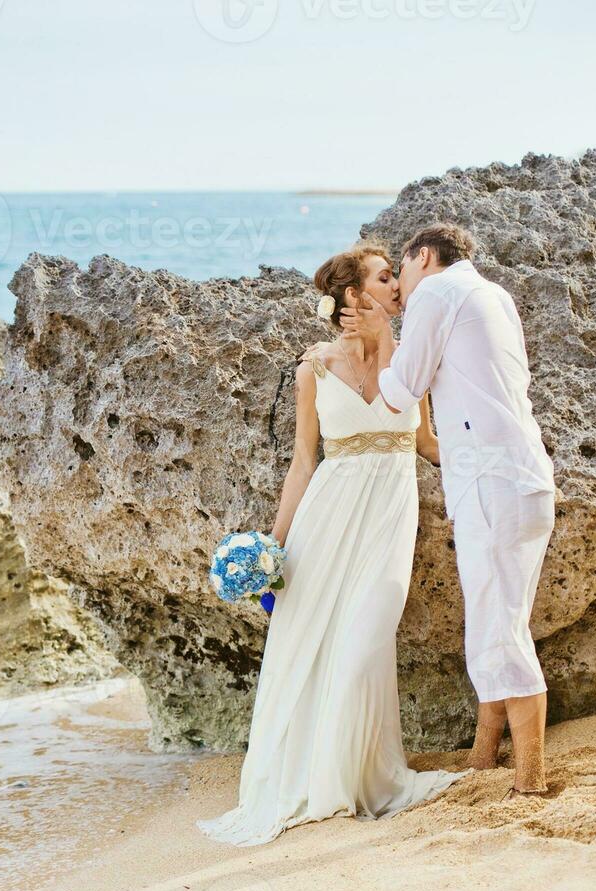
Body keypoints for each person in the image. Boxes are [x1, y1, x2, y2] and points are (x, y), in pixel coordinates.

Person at [196, 242, 468, 848]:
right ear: (352, 295)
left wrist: (490, 460)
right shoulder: (313, 368)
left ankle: (357, 780)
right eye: (382, 277)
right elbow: (301, 463)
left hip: (389, 516)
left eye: (395, 276)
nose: (396, 285)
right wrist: (274, 547)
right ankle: (327, 791)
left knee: (369, 636)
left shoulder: (411, 357)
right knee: (314, 647)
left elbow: (425, 441)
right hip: (327, 517)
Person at [339, 222, 557, 795]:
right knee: (496, 620)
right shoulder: (493, 295)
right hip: (523, 478)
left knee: (502, 629)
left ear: (424, 256)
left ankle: (531, 778)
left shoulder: (436, 293)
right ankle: (486, 759)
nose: (401, 288)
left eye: (401, 271)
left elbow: (397, 392)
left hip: (493, 486)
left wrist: (386, 330)